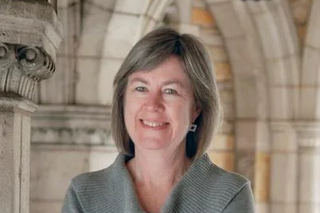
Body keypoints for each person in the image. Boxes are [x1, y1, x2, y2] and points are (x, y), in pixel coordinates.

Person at [61, 27, 255, 213]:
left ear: (196, 108)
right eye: (141, 89)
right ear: (123, 100)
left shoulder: (229, 195)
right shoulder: (84, 196)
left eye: (170, 91)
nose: (153, 104)